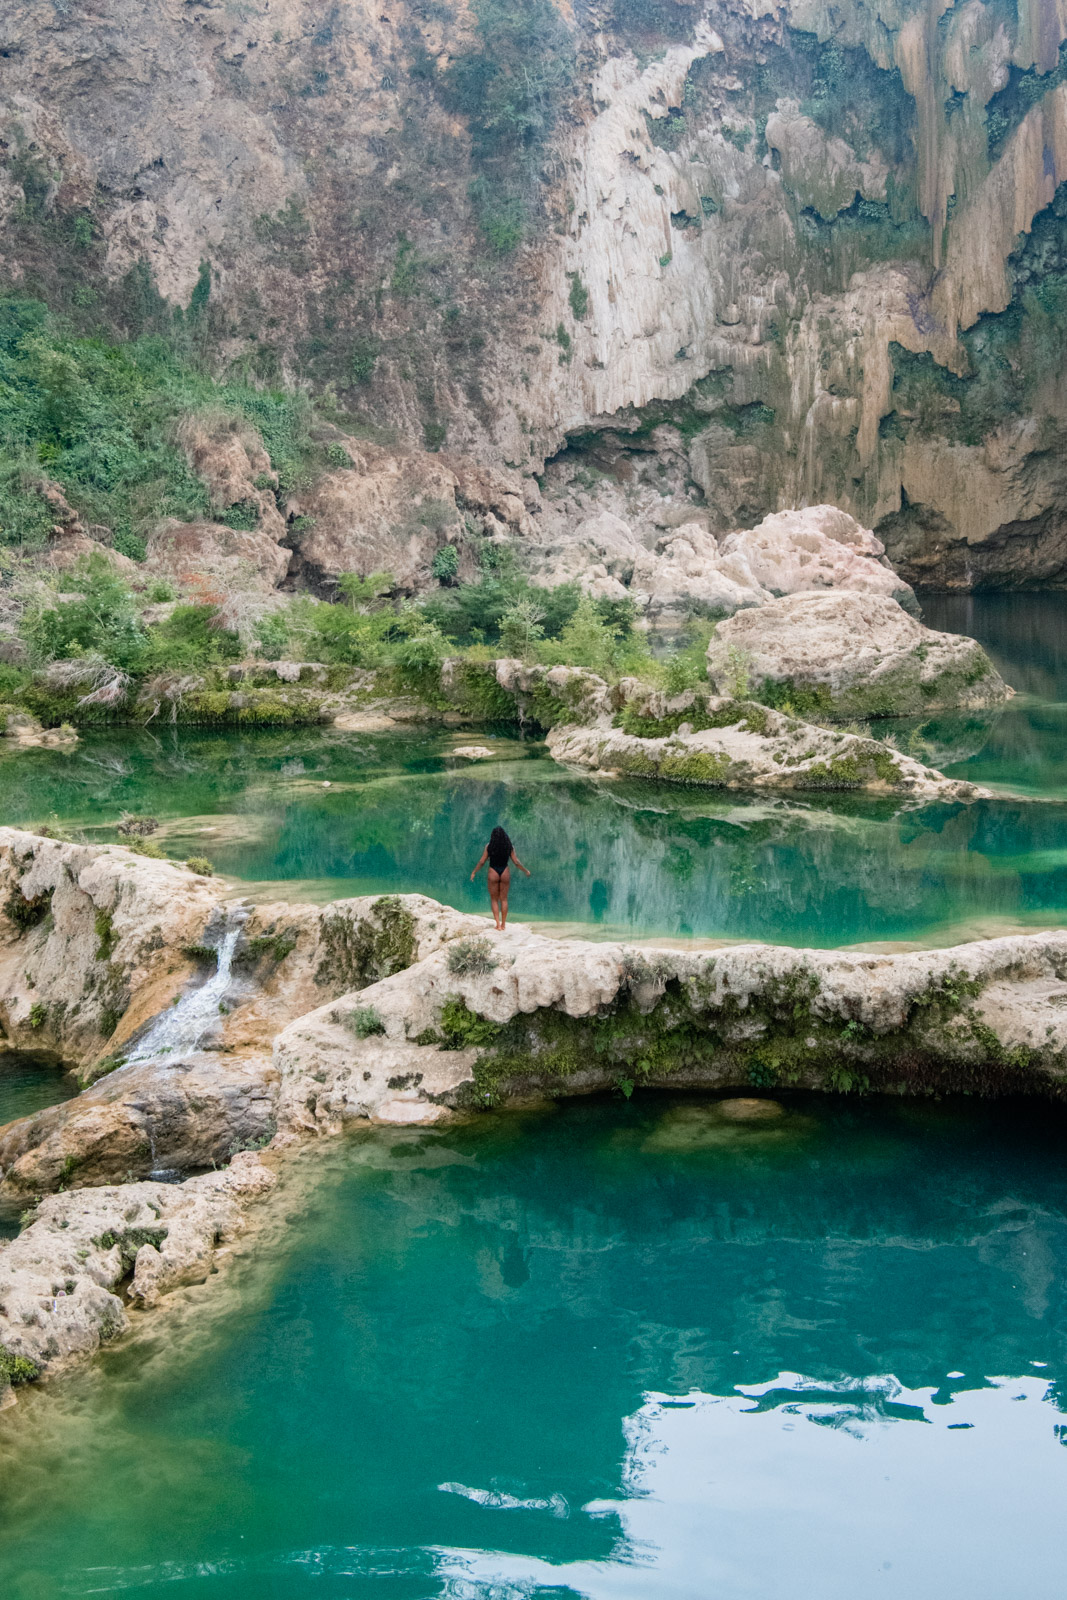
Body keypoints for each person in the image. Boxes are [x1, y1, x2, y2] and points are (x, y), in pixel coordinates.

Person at [470, 824, 531, 931]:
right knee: (504, 899)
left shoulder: (489, 846)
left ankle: (497, 925)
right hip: (504, 871)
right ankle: (503, 925)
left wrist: (474, 872)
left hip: (493, 871)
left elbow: (482, 861)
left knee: (494, 899)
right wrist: (525, 870)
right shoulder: (509, 846)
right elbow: (516, 862)